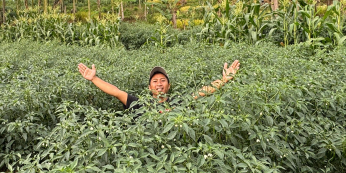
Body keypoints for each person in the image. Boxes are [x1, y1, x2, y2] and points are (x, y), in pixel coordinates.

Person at [77, 60, 240, 112]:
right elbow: (116, 92)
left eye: (163, 80)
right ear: (149, 87)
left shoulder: (179, 102)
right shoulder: (140, 104)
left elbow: (203, 91)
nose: (159, 84)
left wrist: (224, 80)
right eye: (155, 81)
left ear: (169, 85)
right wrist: (94, 79)